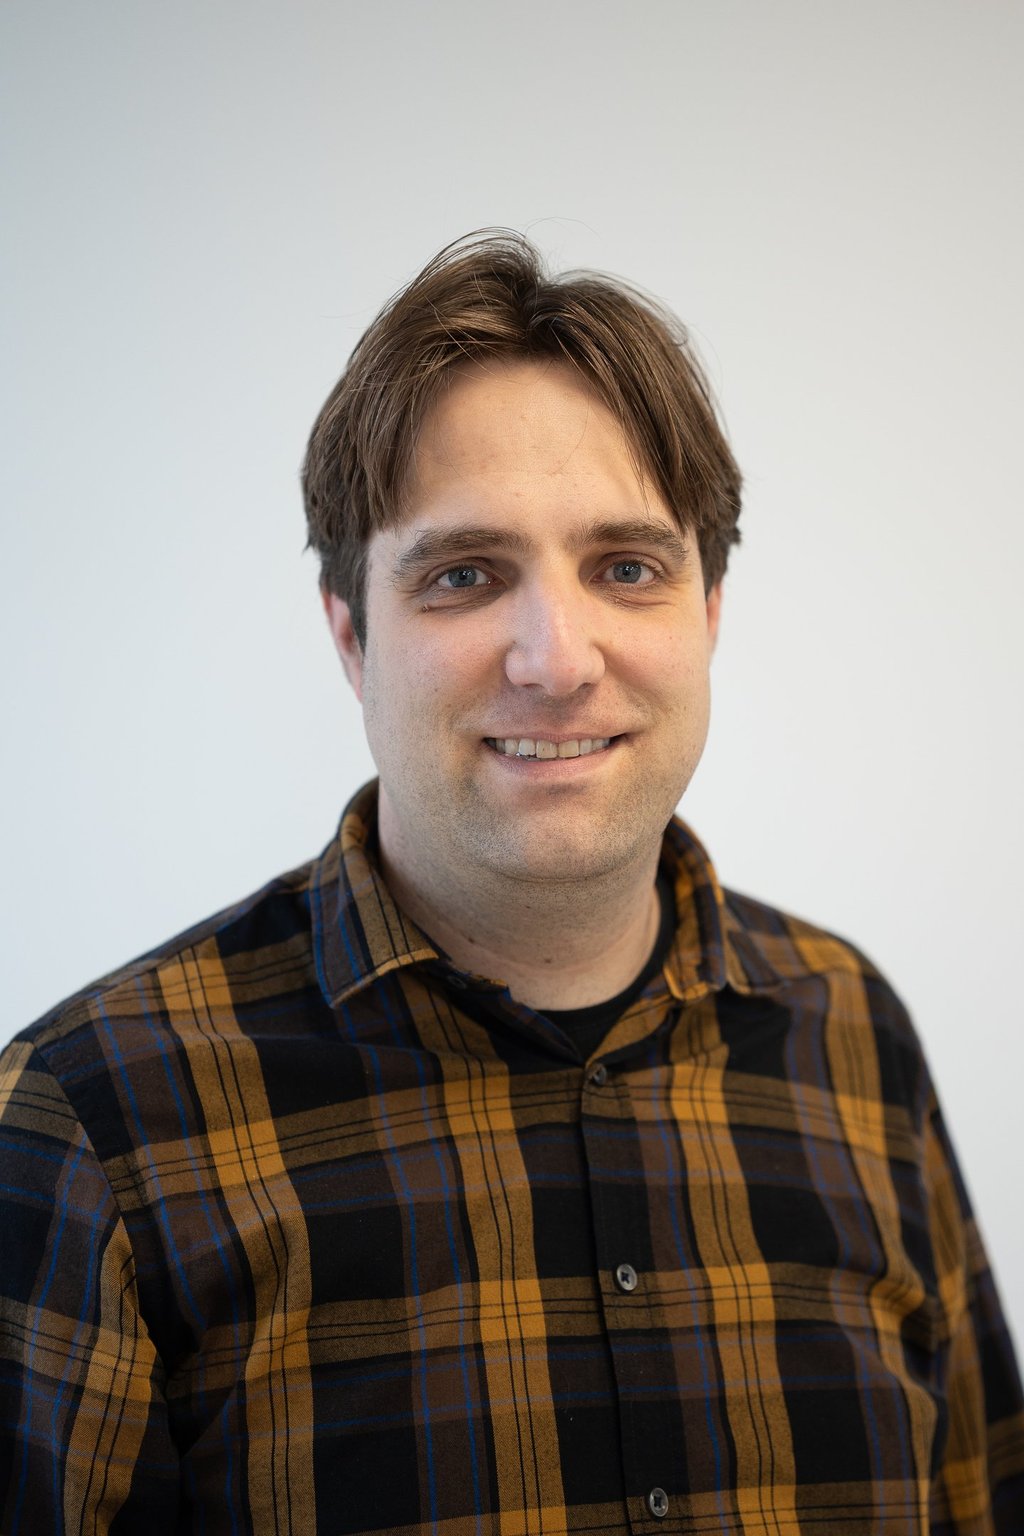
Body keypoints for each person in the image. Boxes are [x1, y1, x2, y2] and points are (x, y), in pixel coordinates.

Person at [1, 233, 1021, 1536]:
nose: (557, 659)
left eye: (627, 568)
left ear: (709, 614)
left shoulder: (853, 1035)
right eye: (465, 575)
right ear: (351, 637)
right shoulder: (92, 1124)